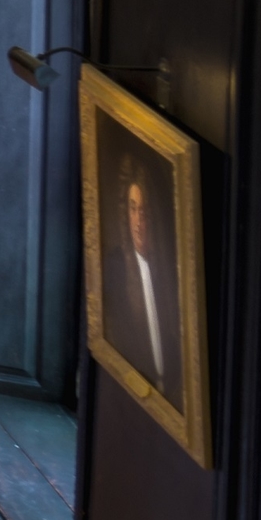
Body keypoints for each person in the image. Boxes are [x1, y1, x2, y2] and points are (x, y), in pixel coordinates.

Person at [104, 165, 180, 399]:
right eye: (133, 209)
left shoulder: (170, 271)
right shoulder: (115, 270)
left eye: (144, 212)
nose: (138, 222)